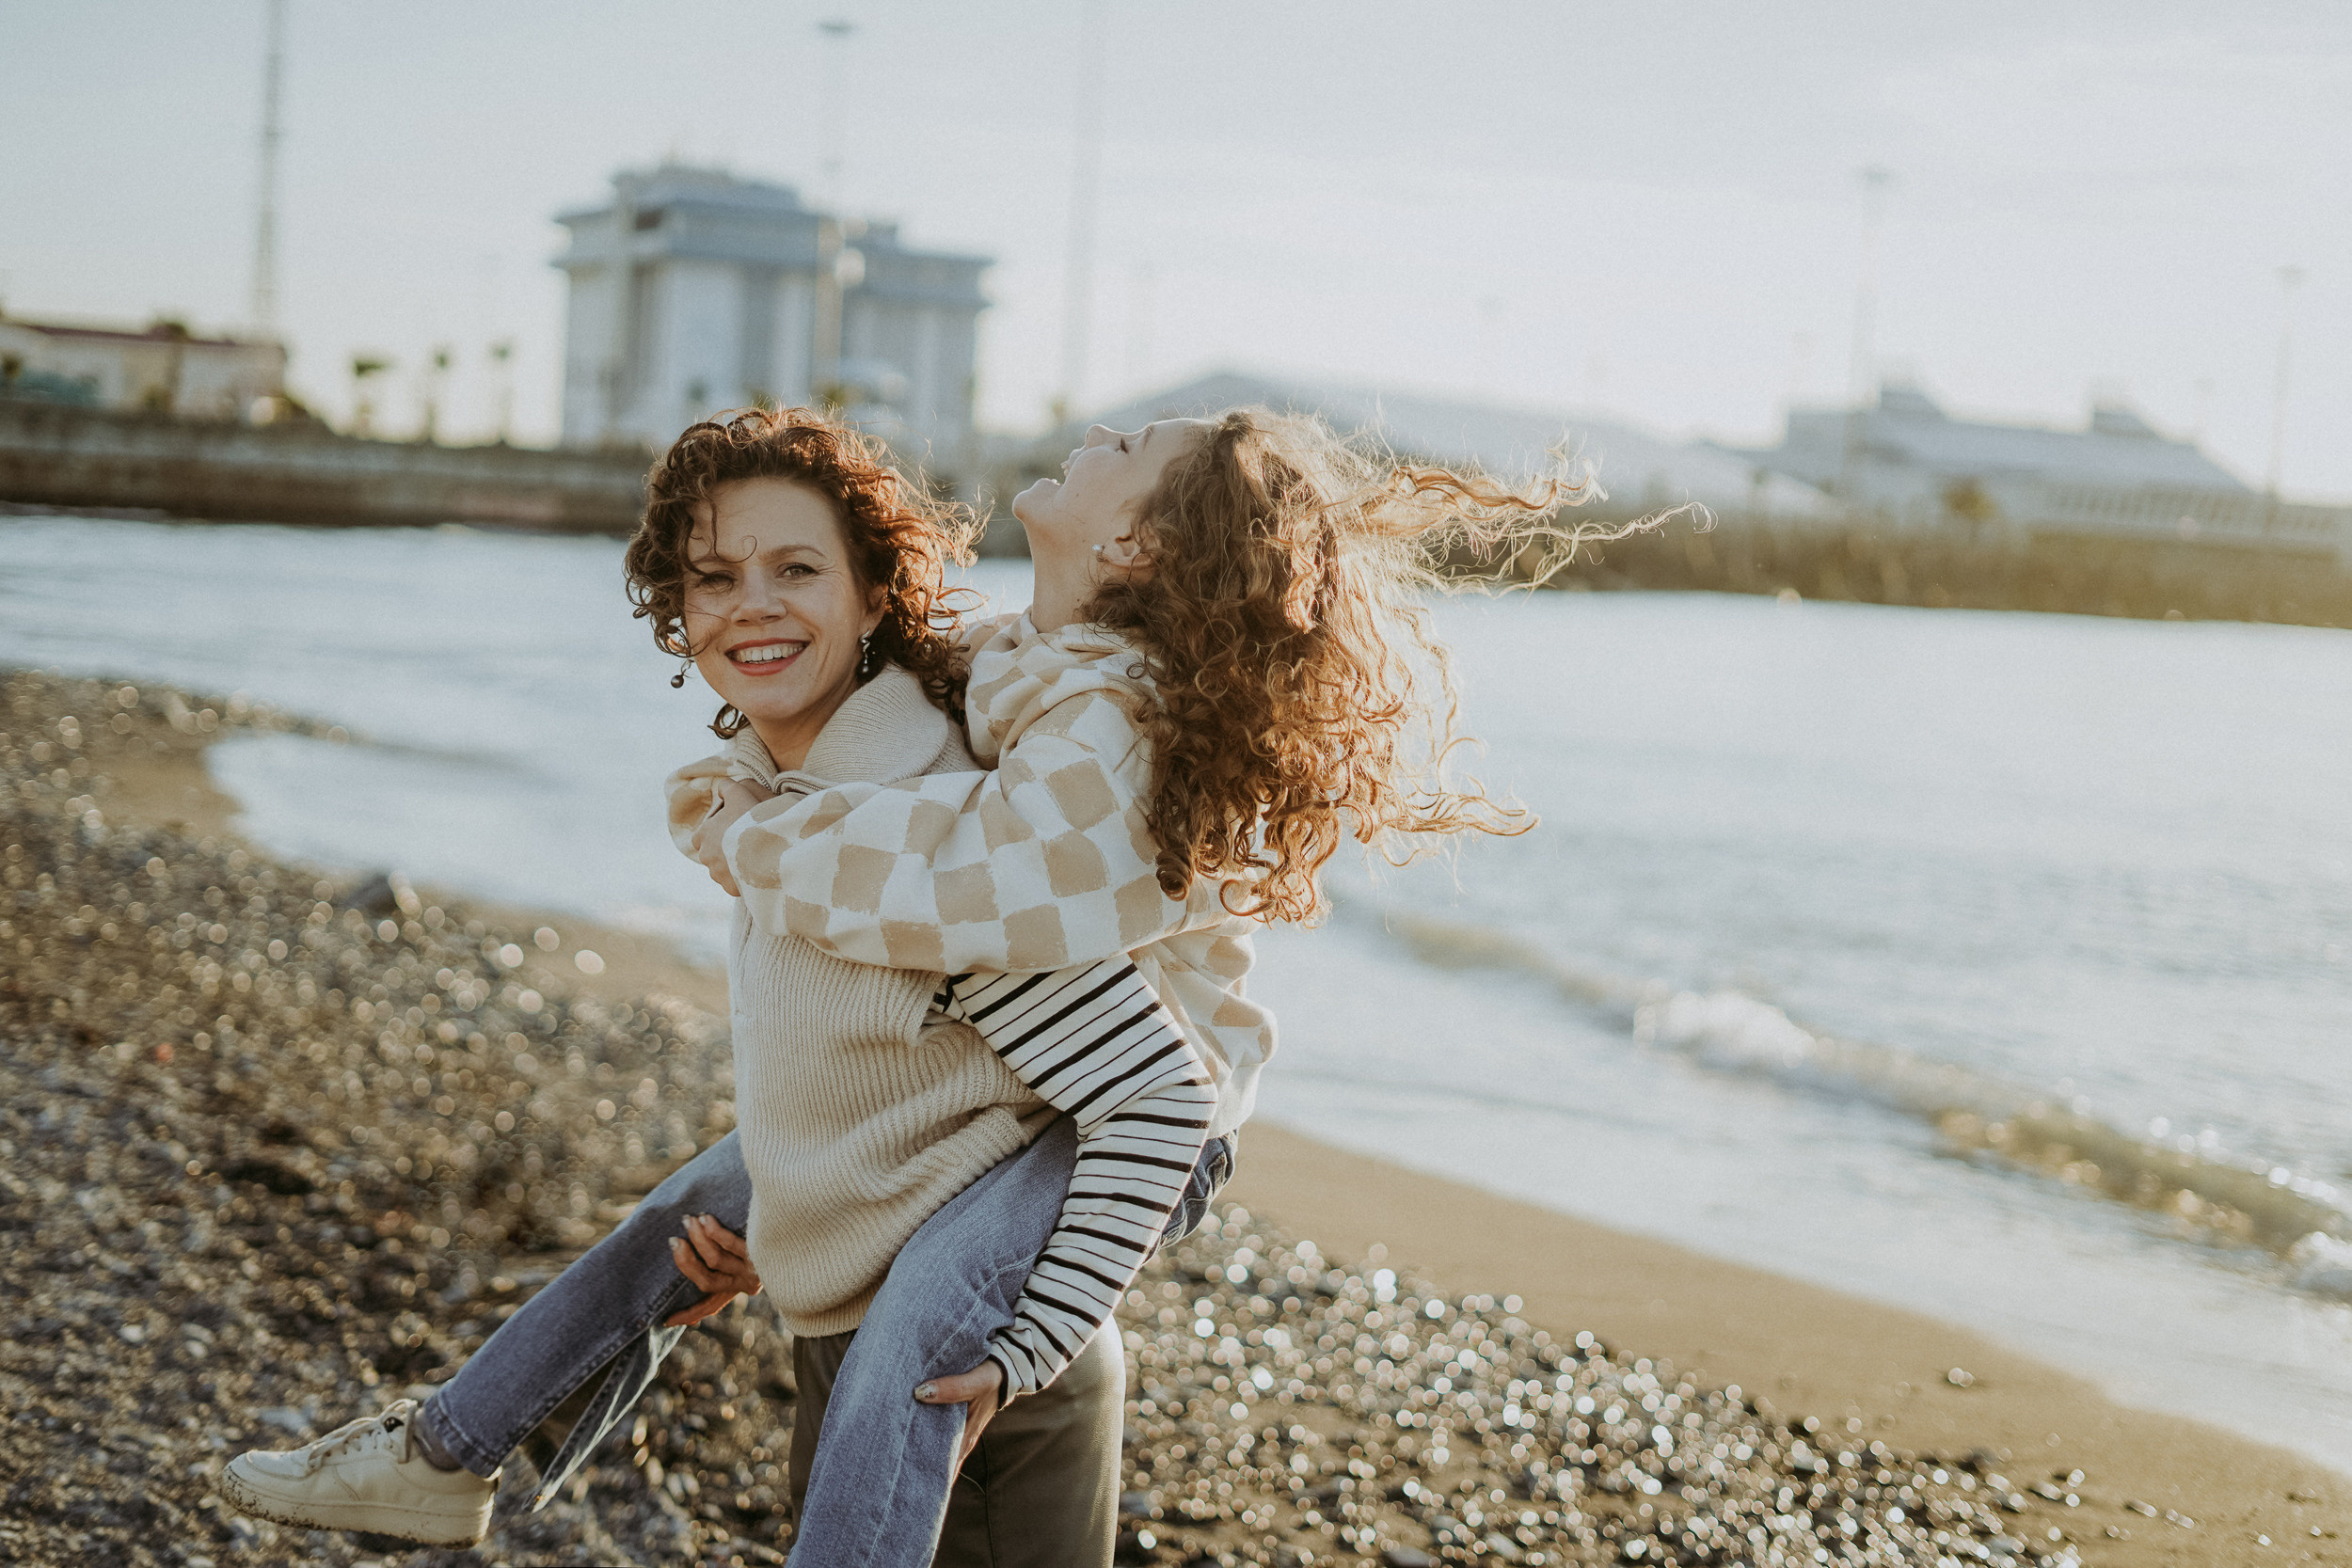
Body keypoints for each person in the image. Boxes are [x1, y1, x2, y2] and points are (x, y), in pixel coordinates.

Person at [224, 403, 1581, 1563]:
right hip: (978, 1170)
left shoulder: (1036, 798)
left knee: (905, 1349)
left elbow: (1113, 1053)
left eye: (796, 570)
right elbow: (889, 1030)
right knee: (678, 1218)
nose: (752, 606)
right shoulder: (988, 693)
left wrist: (1037, 1329)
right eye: (714, 580)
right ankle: (446, 1449)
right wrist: (805, 1207)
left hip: (1098, 1168)